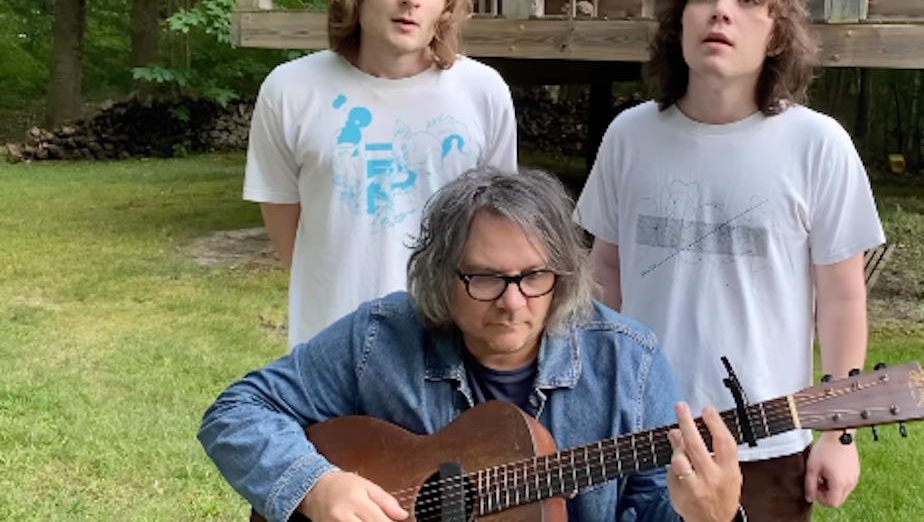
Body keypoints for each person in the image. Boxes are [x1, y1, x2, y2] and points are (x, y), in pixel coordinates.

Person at [199, 168, 744, 522]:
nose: (513, 302)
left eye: (534, 276)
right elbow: (236, 411)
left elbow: (653, 507)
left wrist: (709, 517)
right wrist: (316, 485)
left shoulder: (630, 362)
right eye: (484, 278)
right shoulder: (379, 336)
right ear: (440, 276)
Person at [574, 0, 885, 522]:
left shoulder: (818, 146)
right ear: (678, 21)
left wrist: (837, 433)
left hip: (766, 443)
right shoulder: (629, 136)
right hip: (636, 436)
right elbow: (604, 274)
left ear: (776, 33)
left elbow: (842, 299)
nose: (722, 10)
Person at [244, 0, 517, 347]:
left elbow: (498, 232)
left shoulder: (483, 93)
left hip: (450, 351)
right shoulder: (291, 91)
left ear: (446, 3)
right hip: (330, 352)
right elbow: (290, 238)